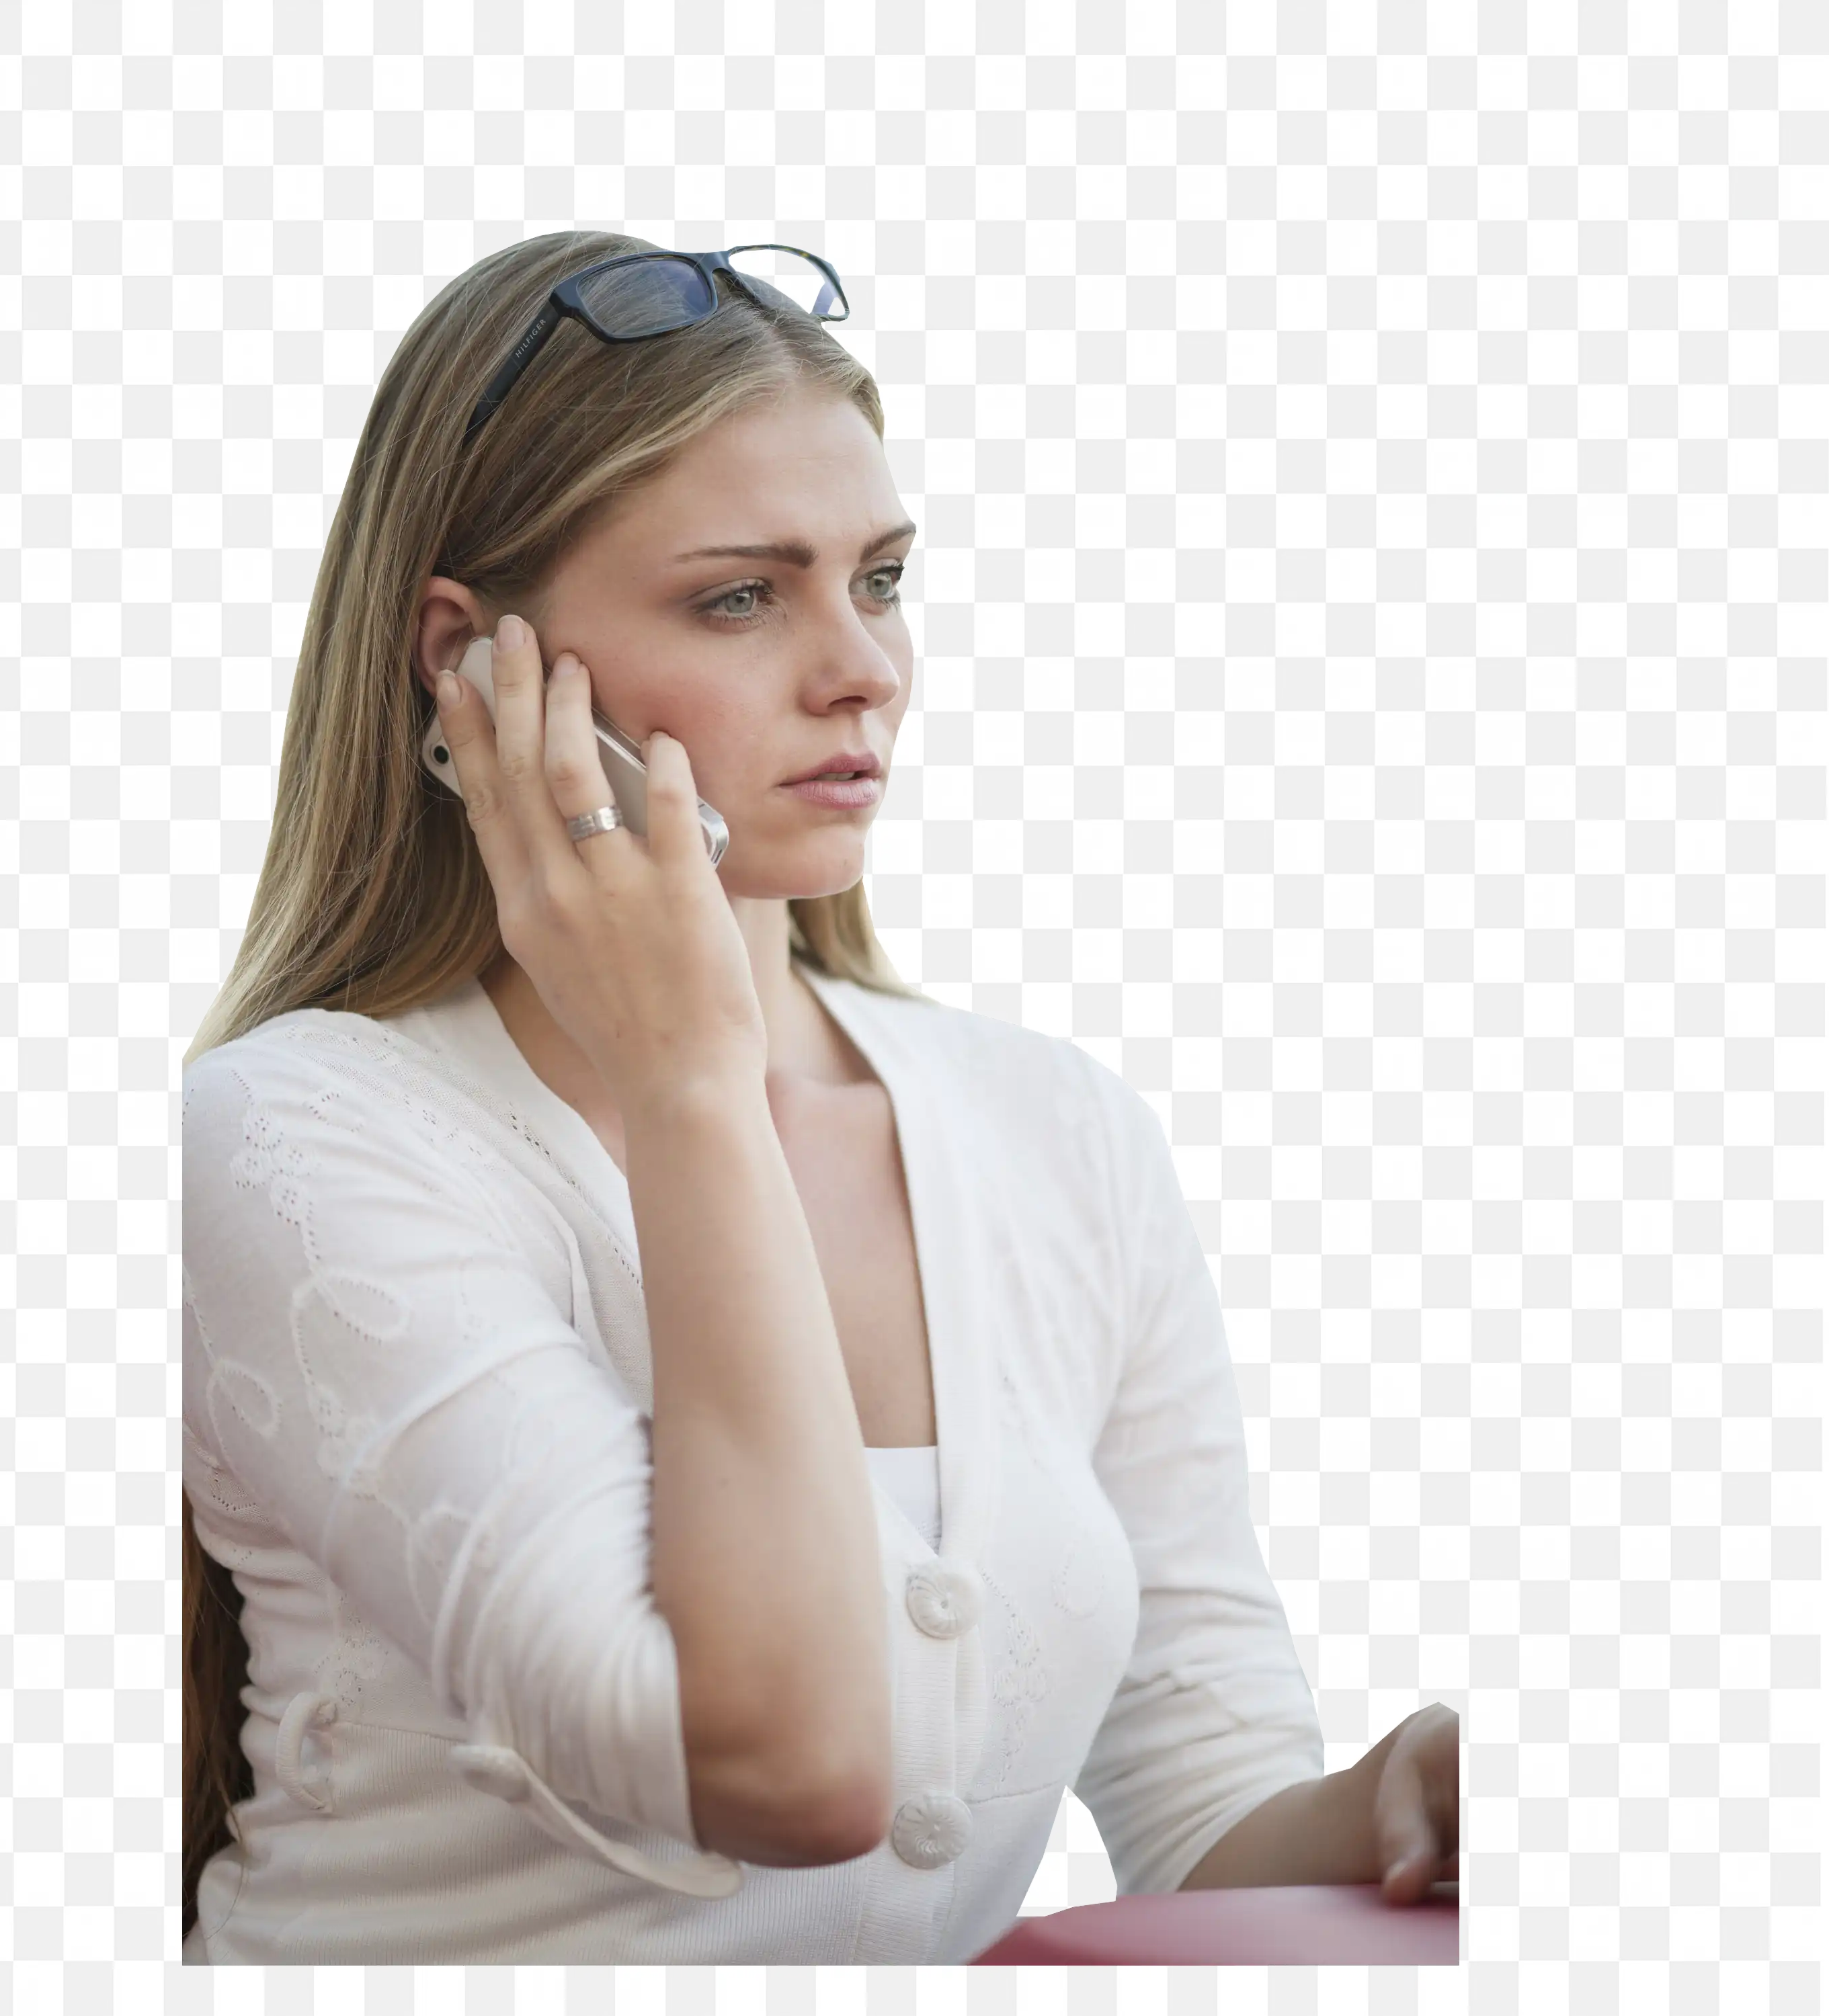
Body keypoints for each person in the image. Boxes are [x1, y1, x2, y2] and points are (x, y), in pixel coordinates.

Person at [179, 229, 1459, 1965]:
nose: (868, 669)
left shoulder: (1058, 1131)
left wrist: (1401, 1794)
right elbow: (781, 1770)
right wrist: (693, 1082)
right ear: (467, 659)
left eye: (884, 578)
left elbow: (1200, 1809)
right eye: (741, 597)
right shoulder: (300, 1136)